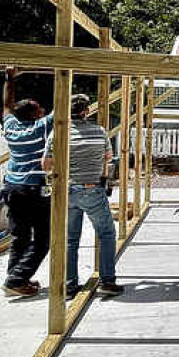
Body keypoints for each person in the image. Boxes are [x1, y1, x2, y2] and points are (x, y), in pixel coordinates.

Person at [42, 93, 122, 298]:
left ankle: (69, 286)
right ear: (86, 112)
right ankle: (107, 281)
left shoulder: (58, 133)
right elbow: (109, 157)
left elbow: (46, 165)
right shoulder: (99, 131)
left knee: (70, 239)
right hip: (91, 188)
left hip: (66, 190)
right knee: (106, 233)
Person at [0, 67, 53, 297]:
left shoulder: (11, 127)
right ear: (33, 115)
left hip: (12, 187)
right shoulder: (39, 130)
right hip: (33, 189)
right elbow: (62, 108)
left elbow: (6, 106)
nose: (42, 112)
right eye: (39, 110)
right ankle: (16, 279)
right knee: (42, 240)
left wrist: (9, 79)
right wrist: (64, 70)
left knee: (20, 236)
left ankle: (15, 281)